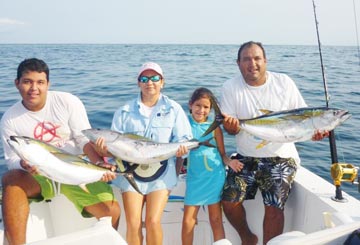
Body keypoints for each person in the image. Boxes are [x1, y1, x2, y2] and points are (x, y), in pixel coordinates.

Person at [0, 58, 121, 245]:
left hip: (75, 168)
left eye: (40, 82)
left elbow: (82, 140)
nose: (34, 88)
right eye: (27, 82)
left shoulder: (67, 102)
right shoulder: (10, 119)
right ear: (17, 84)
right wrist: (23, 164)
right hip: (40, 175)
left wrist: (98, 164)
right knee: (11, 178)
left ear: (48, 84)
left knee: (112, 211)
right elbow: (12, 159)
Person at [220, 41, 329, 245]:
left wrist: (315, 132)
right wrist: (232, 126)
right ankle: (248, 238)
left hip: (282, 156)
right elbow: (231, 129)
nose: (252, 63)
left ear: (265, 61)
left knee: (274, 207)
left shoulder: (284, 83)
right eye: (246, 59)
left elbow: (304, 117)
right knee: (228, 202)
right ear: (238, 63)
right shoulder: (230, 87)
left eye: (257, 58)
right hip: (246, 156)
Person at [94, 62, 193, 245]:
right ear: (138, 83)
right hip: (131, 174)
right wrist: (103, 150)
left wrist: (182, 149)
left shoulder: (174, 109)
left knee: (153, 221)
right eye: (145, 79)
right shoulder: (124, 112)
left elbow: (184, 137)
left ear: (162, 82)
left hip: (162, 173)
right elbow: (114, 149)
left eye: (155, 78)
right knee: (133, 224)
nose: (150, 82)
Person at [181, 87, 242, 245]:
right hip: (195, 178)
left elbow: (222, 154)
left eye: (206, 107)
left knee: (215, 219)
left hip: (214, 176)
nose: (201, 110)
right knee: (188, 220)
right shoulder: (183, 125)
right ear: (190, 105)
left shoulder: (215, 128)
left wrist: (230, 162)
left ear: (211, 109)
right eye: (198, 105)